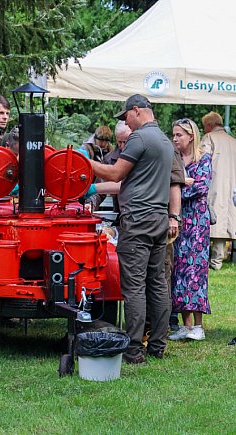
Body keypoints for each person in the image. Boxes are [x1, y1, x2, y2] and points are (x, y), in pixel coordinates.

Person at [89, 94, 174, 363]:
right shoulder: (164, 139)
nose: (126, 122)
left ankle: (134, 349)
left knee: (134, 286)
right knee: (158, 283)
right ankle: (158, 346)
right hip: (159, 218)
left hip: (137, 220)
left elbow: (115, 174)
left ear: (136, 110)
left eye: (126, 116)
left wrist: (80, 161)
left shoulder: (139, 138)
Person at [169, 118, 212, 341]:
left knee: (195, 271)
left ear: (191, 136)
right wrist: (185, 182)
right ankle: (185, 325)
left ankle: (199, 325)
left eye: (179, 135)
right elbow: (173, 186)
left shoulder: (203, 157)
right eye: (174, 135)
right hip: (179, 219)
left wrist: (179, 185)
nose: (175, 139)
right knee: (179, 271)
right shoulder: (173, 158)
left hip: (197, 224)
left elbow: (201, 186)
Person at [201, 111, 236, 270]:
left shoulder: (209, 138)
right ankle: (217, 261)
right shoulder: (233, 141)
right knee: (226, 221)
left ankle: (205, 258)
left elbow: (201, 159)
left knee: (210, 220)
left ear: (209, 125)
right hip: (232, 187)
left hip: (214, 185)